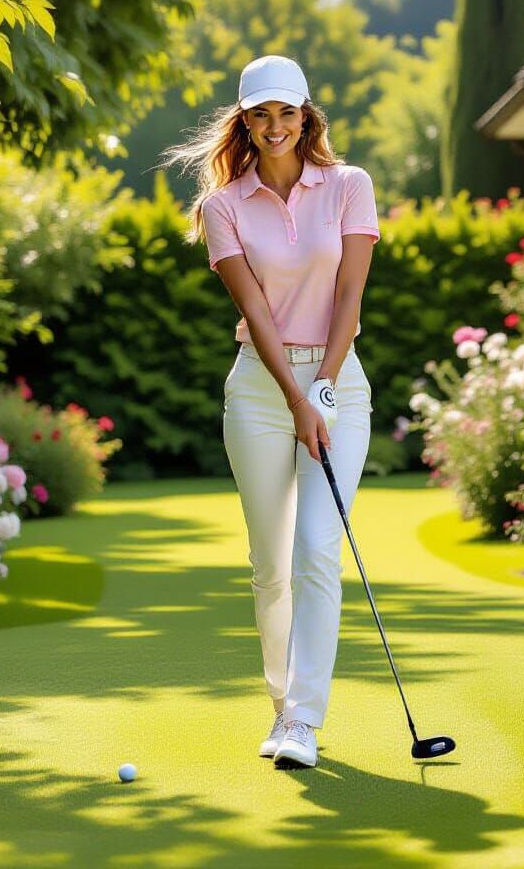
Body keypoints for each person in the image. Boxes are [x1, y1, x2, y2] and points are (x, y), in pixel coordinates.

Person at [162, 54, 380, 769]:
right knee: (271, 562)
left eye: (288, 112)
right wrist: (293, 397)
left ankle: (305, 723)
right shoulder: (223, 206)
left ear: (308, 115)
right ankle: (282, 707)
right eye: (261, 114)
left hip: (337, 382)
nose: (276, 125)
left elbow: (349, 298)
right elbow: (254, 309)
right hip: (260, 388)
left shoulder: (350, 186)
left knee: (317, 546)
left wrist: (319, 392)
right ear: (245, 122)